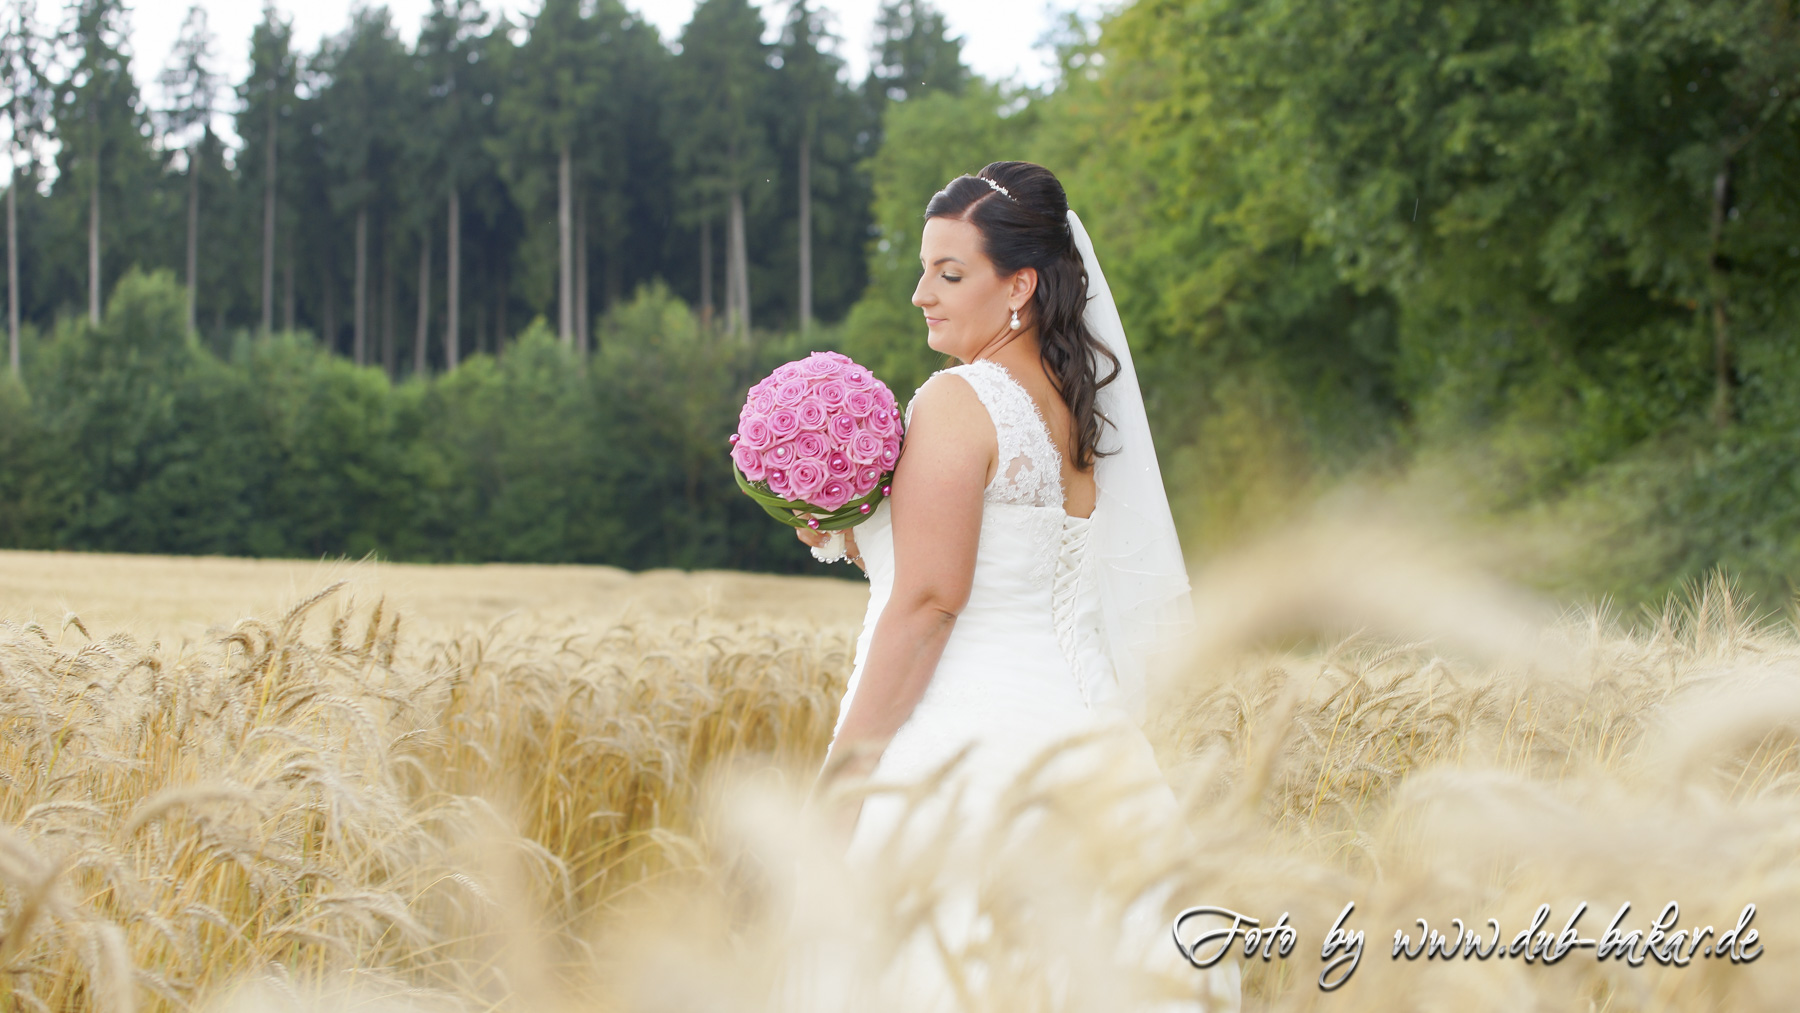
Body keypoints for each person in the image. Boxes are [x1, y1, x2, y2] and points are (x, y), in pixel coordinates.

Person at [794, 161, 1241, 1011]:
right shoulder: (1070, 408)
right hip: (1086, 742)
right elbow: (994, 561)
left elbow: (928, 605)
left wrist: (844, 780)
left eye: (949, 273)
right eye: (923, 268)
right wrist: (854, 528)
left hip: (960, 749)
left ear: (1020, 285)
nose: (922, 292)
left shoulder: (958, 401)